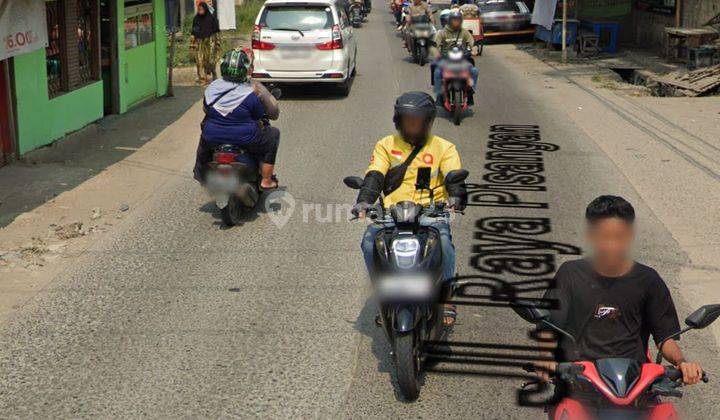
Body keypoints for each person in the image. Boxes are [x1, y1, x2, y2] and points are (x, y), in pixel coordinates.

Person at [535, 195, 703, 388]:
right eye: (605, 237)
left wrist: (682, 363)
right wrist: (546, 357)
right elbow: (550, 325)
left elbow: (664, 337)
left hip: (634, 384)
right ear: (591, 236)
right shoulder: (570, 274)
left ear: (630, 236)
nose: (612, 245)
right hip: (579, 381)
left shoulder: (648, 280)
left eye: (619, 237)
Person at [352, 92, 467, 326]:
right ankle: (384, 293)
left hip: (430, 212)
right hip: (391, 214)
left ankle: (445, 298)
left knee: (444, 244)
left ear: (428, 121)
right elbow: (374, 175)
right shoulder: (385, 145)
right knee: (368, 243)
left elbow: (454, 178)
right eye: (407, 120)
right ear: (398, 120)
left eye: (417, 120)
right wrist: (364, 201)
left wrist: (456, 197)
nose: (412, 125)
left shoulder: (444, 148)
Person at [193, 48, 281, 190]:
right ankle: (266, 179)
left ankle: (200, 175)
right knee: (273, 135)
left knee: (203, 141)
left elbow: (206, 109)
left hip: (213, 136)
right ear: (246, 69)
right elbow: (258, 115)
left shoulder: (211, 88)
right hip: (245, 138)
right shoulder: (251, 91)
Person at [431, 10, 478, 105]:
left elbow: (473, 43)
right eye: (454, 20)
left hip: (462, 59)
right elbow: (435, 46)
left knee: (474, 71)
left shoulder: (464, 32)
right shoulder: (442, 33)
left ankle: (470, 92)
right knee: (437, 71)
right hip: (446, 59)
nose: (456, 22)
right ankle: (439, 95)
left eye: (458, 20)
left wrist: (474, 50)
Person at [190, 2, 220, 85]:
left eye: (201, 10)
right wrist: (192, 45)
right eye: (199, 10)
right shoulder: (196, 19)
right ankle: (202, 79)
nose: (200, 11)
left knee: (210, 60)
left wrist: (217, 43)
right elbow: (194, 32)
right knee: (199, 60)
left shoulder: (211, 19)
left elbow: (216, 32)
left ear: (205, 9)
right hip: (200, 42)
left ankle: (213, 72)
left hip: (210, 41)